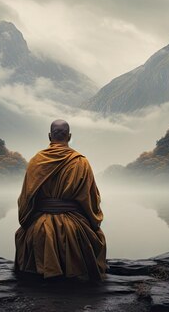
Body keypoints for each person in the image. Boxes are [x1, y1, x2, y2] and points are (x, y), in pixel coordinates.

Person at [14, 119, 107, 281]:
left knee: (24, 234)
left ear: (50, 136)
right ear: (69, 136)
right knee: (96, 236)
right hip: (73, 227)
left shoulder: (36, 161)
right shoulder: (81, 162)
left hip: (40, 227)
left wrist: (27, 222)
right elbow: (91, 200)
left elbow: (25, 199)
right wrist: (94, 223)